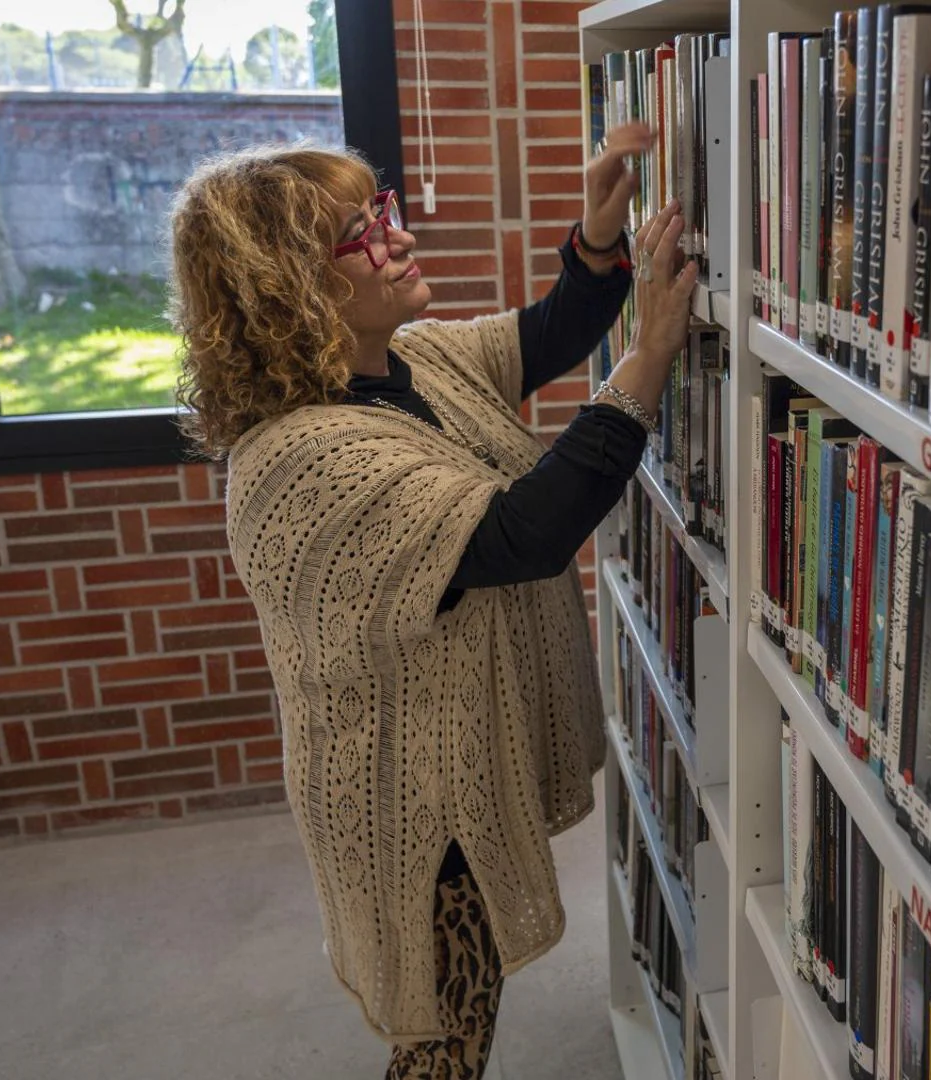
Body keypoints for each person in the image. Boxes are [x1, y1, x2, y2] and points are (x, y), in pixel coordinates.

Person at [167, 126, 696, 1080]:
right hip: (412, 800)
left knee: (469, 1002)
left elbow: (547, 332)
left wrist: (599, 236)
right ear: (292, 281)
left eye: (385, 210)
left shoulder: (411, 361)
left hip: (458, 764)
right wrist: (648, 358)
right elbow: (521, 535)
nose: (399, 237)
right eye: (362, 228)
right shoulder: (299, 456)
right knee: (446, 1038)